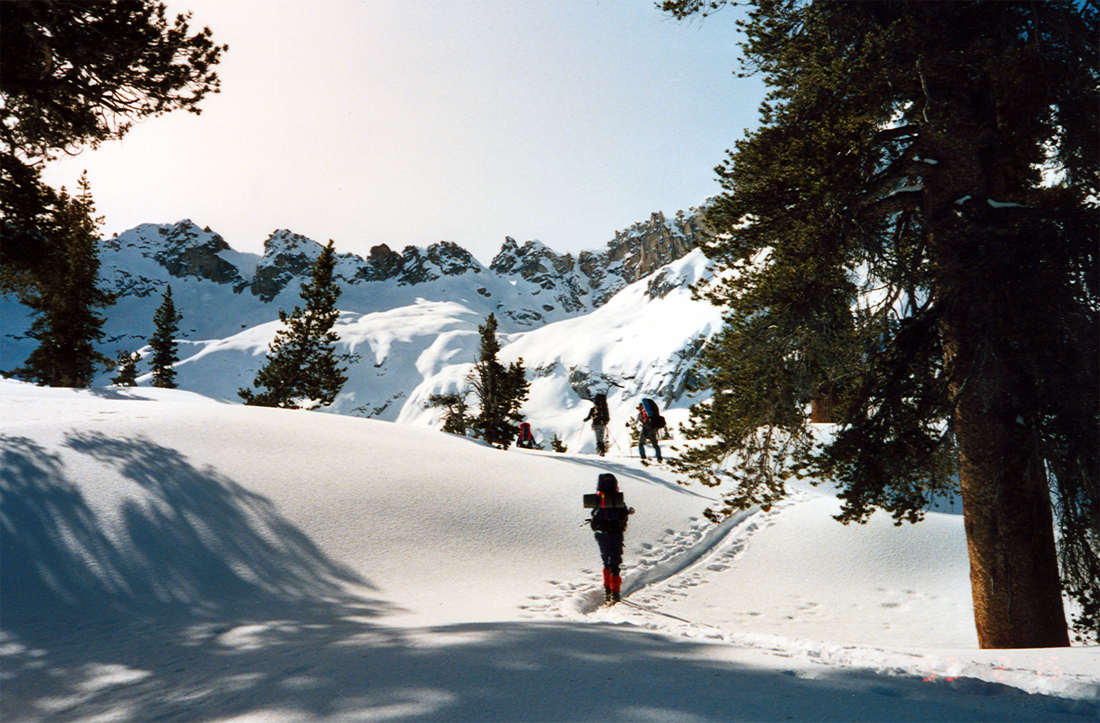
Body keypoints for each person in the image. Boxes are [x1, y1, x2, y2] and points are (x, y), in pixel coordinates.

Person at [588, 473, 633, 604]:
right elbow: (624, 514)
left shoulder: (598, 499)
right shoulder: (617, 500)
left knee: (606, 561)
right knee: (615, 563)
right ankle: (615, 593)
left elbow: (593, 514)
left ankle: (607, 590)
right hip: (616, 533)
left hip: (602, 534)